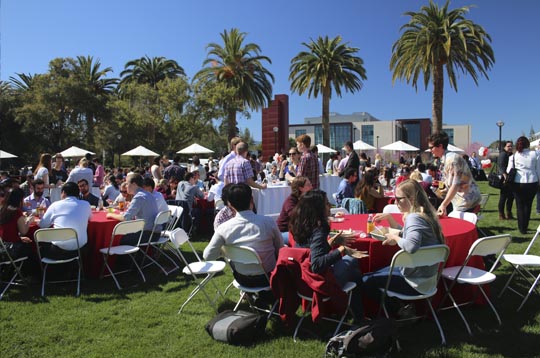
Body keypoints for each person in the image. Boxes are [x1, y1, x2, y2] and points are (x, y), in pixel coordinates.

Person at [363, 179, 445, 315]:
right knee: (374, 274)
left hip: (414, 282)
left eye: (398, 199)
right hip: (428, 279)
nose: (394, 202)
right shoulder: (426, 214)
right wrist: (390, 220)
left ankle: (396, 311)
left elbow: (411, 246)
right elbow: (409, 234)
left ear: (411, 199)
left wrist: (395, 238)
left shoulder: (414, 218)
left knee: (366, 280)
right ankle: (401, 308)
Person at [289, 189, 365, 323]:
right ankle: (358, 315)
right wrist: (341, 250)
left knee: (353, 268)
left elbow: (310, 252)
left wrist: (330, 244)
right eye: (326, 203)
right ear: (318, 208)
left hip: (301, 281)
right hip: (318, 283)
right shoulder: (319, 229)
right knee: (353, 263)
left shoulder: (300, 224)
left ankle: (352, 312)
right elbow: (317, 264)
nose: (330, 206)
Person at [204, 183, 283, 288]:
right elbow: (280, 249)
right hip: (268, 277)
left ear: (230, 204)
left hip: (242, 278)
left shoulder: (223, 228)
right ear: (252, 200)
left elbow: (208, 255)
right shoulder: (268, 222)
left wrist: (225, 251)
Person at [428, 131, 481, 216]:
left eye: (431, 147)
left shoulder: (451, 160)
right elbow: (453, 180)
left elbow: (455, 185)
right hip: (462, 200)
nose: (430, 150)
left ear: (440, 146)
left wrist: (443, 205)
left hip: (466, 201)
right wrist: (442, 183)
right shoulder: (446, 158)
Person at [38, 182, 92, 259]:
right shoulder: (86, 204)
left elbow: (42, 225)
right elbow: (90, 218)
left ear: (63, 193)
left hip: (59, 251)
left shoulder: (55, 205)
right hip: (81, 249)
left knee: (40, 244)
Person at [107, 173, 159, 245]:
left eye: (127, 183)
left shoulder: (139, 196)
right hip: (155, 231)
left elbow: (126, 218)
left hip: (148, 234)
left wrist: (110, 215)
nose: (126, 186)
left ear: (134, 184)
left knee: (117, 238)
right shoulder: (148, 194)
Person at [506, 136, 540, 234]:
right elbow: (538, 169)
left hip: (518, 182)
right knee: (528, 205)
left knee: (519, 206)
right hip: (532, 181)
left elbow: (509, 170)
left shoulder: (514, 156)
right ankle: (525, 226)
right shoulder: (536, 154)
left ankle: (522, 228)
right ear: (528, 144)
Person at [276, 177, 313, 243]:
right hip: (283, 232)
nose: (311, 186)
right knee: (307, 238)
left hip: (297, 230)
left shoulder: (306, 199)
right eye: (308, 185)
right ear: (301, 188)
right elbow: (295, 217)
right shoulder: (290, 201)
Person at [0, 188, 34, 259]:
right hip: (11, 249)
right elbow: (23, 231)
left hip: (3, 246)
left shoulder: (3, 210)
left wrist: (20, 238)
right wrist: (29, 221)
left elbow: (7, 231)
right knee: (32, 246)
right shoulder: (16, 212)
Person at [497, 141, 515, 220]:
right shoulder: (503, 154)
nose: (510, 148)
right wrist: (505, 176)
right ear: (504, 147)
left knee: (511, 197)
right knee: (503, 197)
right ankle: (501, 214)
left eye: (511, 146)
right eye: (508, 146)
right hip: (504, 179)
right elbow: (501, 166)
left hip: (510, 178)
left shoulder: (510, 155)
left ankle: (509, 213)